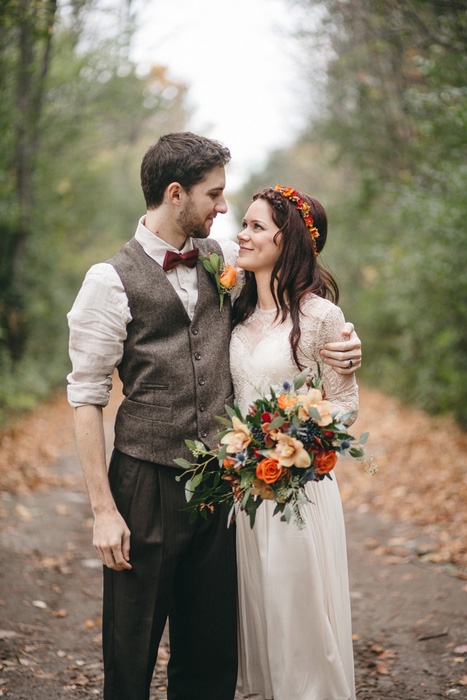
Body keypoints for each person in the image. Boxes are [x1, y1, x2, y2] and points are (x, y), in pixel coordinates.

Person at [67, 133, 361, 700]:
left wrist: (345, 346)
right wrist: (103, 510)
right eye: (215, 195)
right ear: (176, 195)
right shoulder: (106, 281)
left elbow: (293, 296)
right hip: (144, 480)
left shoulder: (224, 259)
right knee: (131, 649)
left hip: (221, 488)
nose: (226, 210)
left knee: (210, 653)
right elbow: (87, 396)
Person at [231, 186, 358, 700]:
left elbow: (345, 407)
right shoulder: (233, 312)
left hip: (296, 491)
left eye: (257, 226)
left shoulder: (321, 317)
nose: (243, 233)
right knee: (260, 618)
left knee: (298, 617)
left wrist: (294, 445)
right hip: (243, 490)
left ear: (291, 241)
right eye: (244, 223)